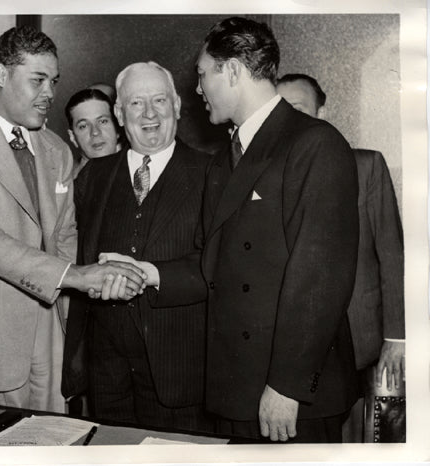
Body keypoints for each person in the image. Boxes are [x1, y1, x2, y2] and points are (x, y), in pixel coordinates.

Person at [102, 17, 360, 443]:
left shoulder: (315, 143)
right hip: (235, 389)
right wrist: (146, 272)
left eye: (204, 74)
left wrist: (287, 386)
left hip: (288, 396)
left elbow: (321, 281)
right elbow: (214, 265)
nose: (198, 89)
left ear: (234, 71)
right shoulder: (226, 158)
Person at [0, 25, 144, 412]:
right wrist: (76, 276)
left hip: (53, 327)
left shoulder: (56, 149)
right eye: (37, 80)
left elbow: (65, 233)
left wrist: (94, 281)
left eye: (53, 81)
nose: (50, 94)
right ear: (1, 75)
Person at [63, 61, 213, 431]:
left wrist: (152, 275)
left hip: (182, 373)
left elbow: (220, 265)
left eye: (159, 100)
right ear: (118, 112)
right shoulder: (92, 178)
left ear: (177, 105)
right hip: (107, 375)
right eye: (135, 103)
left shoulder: (214, 173)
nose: (149, 113)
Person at [277, 73, 405, 441]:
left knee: (382, 437)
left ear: (322, 111)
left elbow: (392, 255)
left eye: (298, 109)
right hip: (309, 345)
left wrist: (397, 338)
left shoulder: (366, 166)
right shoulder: (271, 176)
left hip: (367, 338)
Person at [64, 88, 122, 178]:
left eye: (103, 121)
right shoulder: (67, 185)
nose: (95, 132)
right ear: (73, 137)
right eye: (83, 126)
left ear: (117, 128)